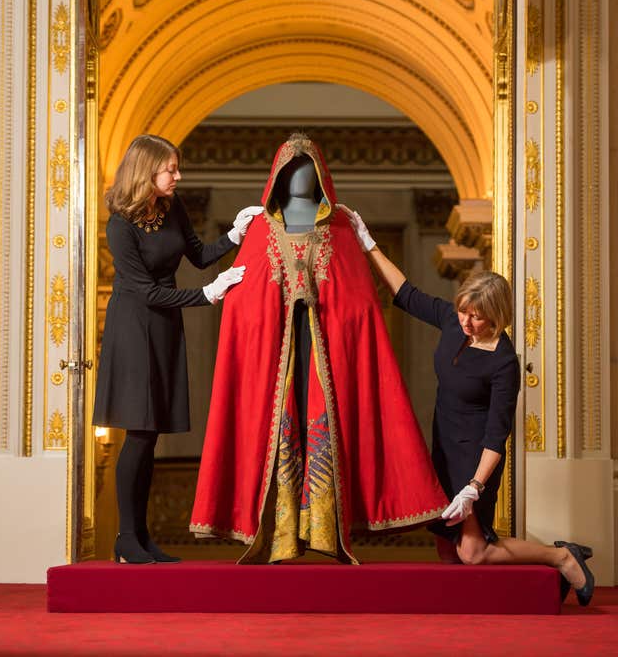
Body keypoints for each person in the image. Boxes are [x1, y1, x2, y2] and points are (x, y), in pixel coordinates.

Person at [190, 133, 448, 564]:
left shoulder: (342, 228)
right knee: (281, 427)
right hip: (276, 355)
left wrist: (328, 315)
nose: (299, 176)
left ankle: (324, 528)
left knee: (323, 427)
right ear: (276, 176)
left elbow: (361, 308)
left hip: (325, 353)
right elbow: (245, 311)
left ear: (322, 177)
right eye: (290, 169)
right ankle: (280, 533)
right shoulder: (258, 229)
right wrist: (256, 308)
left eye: (308, 168)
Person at [342, 206, 595, 605]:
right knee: (449, 549)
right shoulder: (451, 321)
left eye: (476, 317)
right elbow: (405, 293)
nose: (466, 321)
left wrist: (474, 488)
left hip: (475, 459)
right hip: (444, 445)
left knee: (473, 552)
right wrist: (367, 243)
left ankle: (563, 555)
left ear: (497, 318)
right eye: (463, 310)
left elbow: (498, 434)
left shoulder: (503, 363)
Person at [92, 134, 262, 565]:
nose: (177, 176)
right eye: (171, 168)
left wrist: (236, 235)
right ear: (146, 171)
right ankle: (126, 538)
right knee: (139, 432)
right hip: (132, 329)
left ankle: (140, 537)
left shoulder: (171, 208)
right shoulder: (120, 225)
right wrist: (206, 296)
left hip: (165, 325)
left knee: (151, 437)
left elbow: (201, 255)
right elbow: (146, 292)